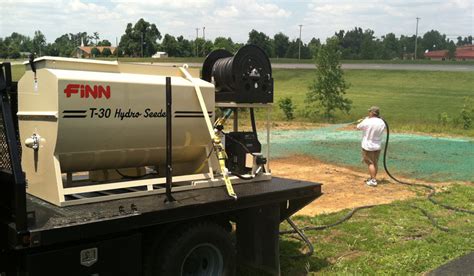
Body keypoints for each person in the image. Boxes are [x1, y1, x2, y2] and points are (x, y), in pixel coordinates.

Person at [356, 106, 386, 186]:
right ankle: (373, 177)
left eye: (369, 112)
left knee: (370, 163)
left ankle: (373, 180)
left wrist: (364, 120)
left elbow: (358, 127)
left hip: (368, 146)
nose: (368, 113)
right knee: (375, 163)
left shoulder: (367, 121)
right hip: (377, 146)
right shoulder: (382, 122)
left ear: (372, 113)